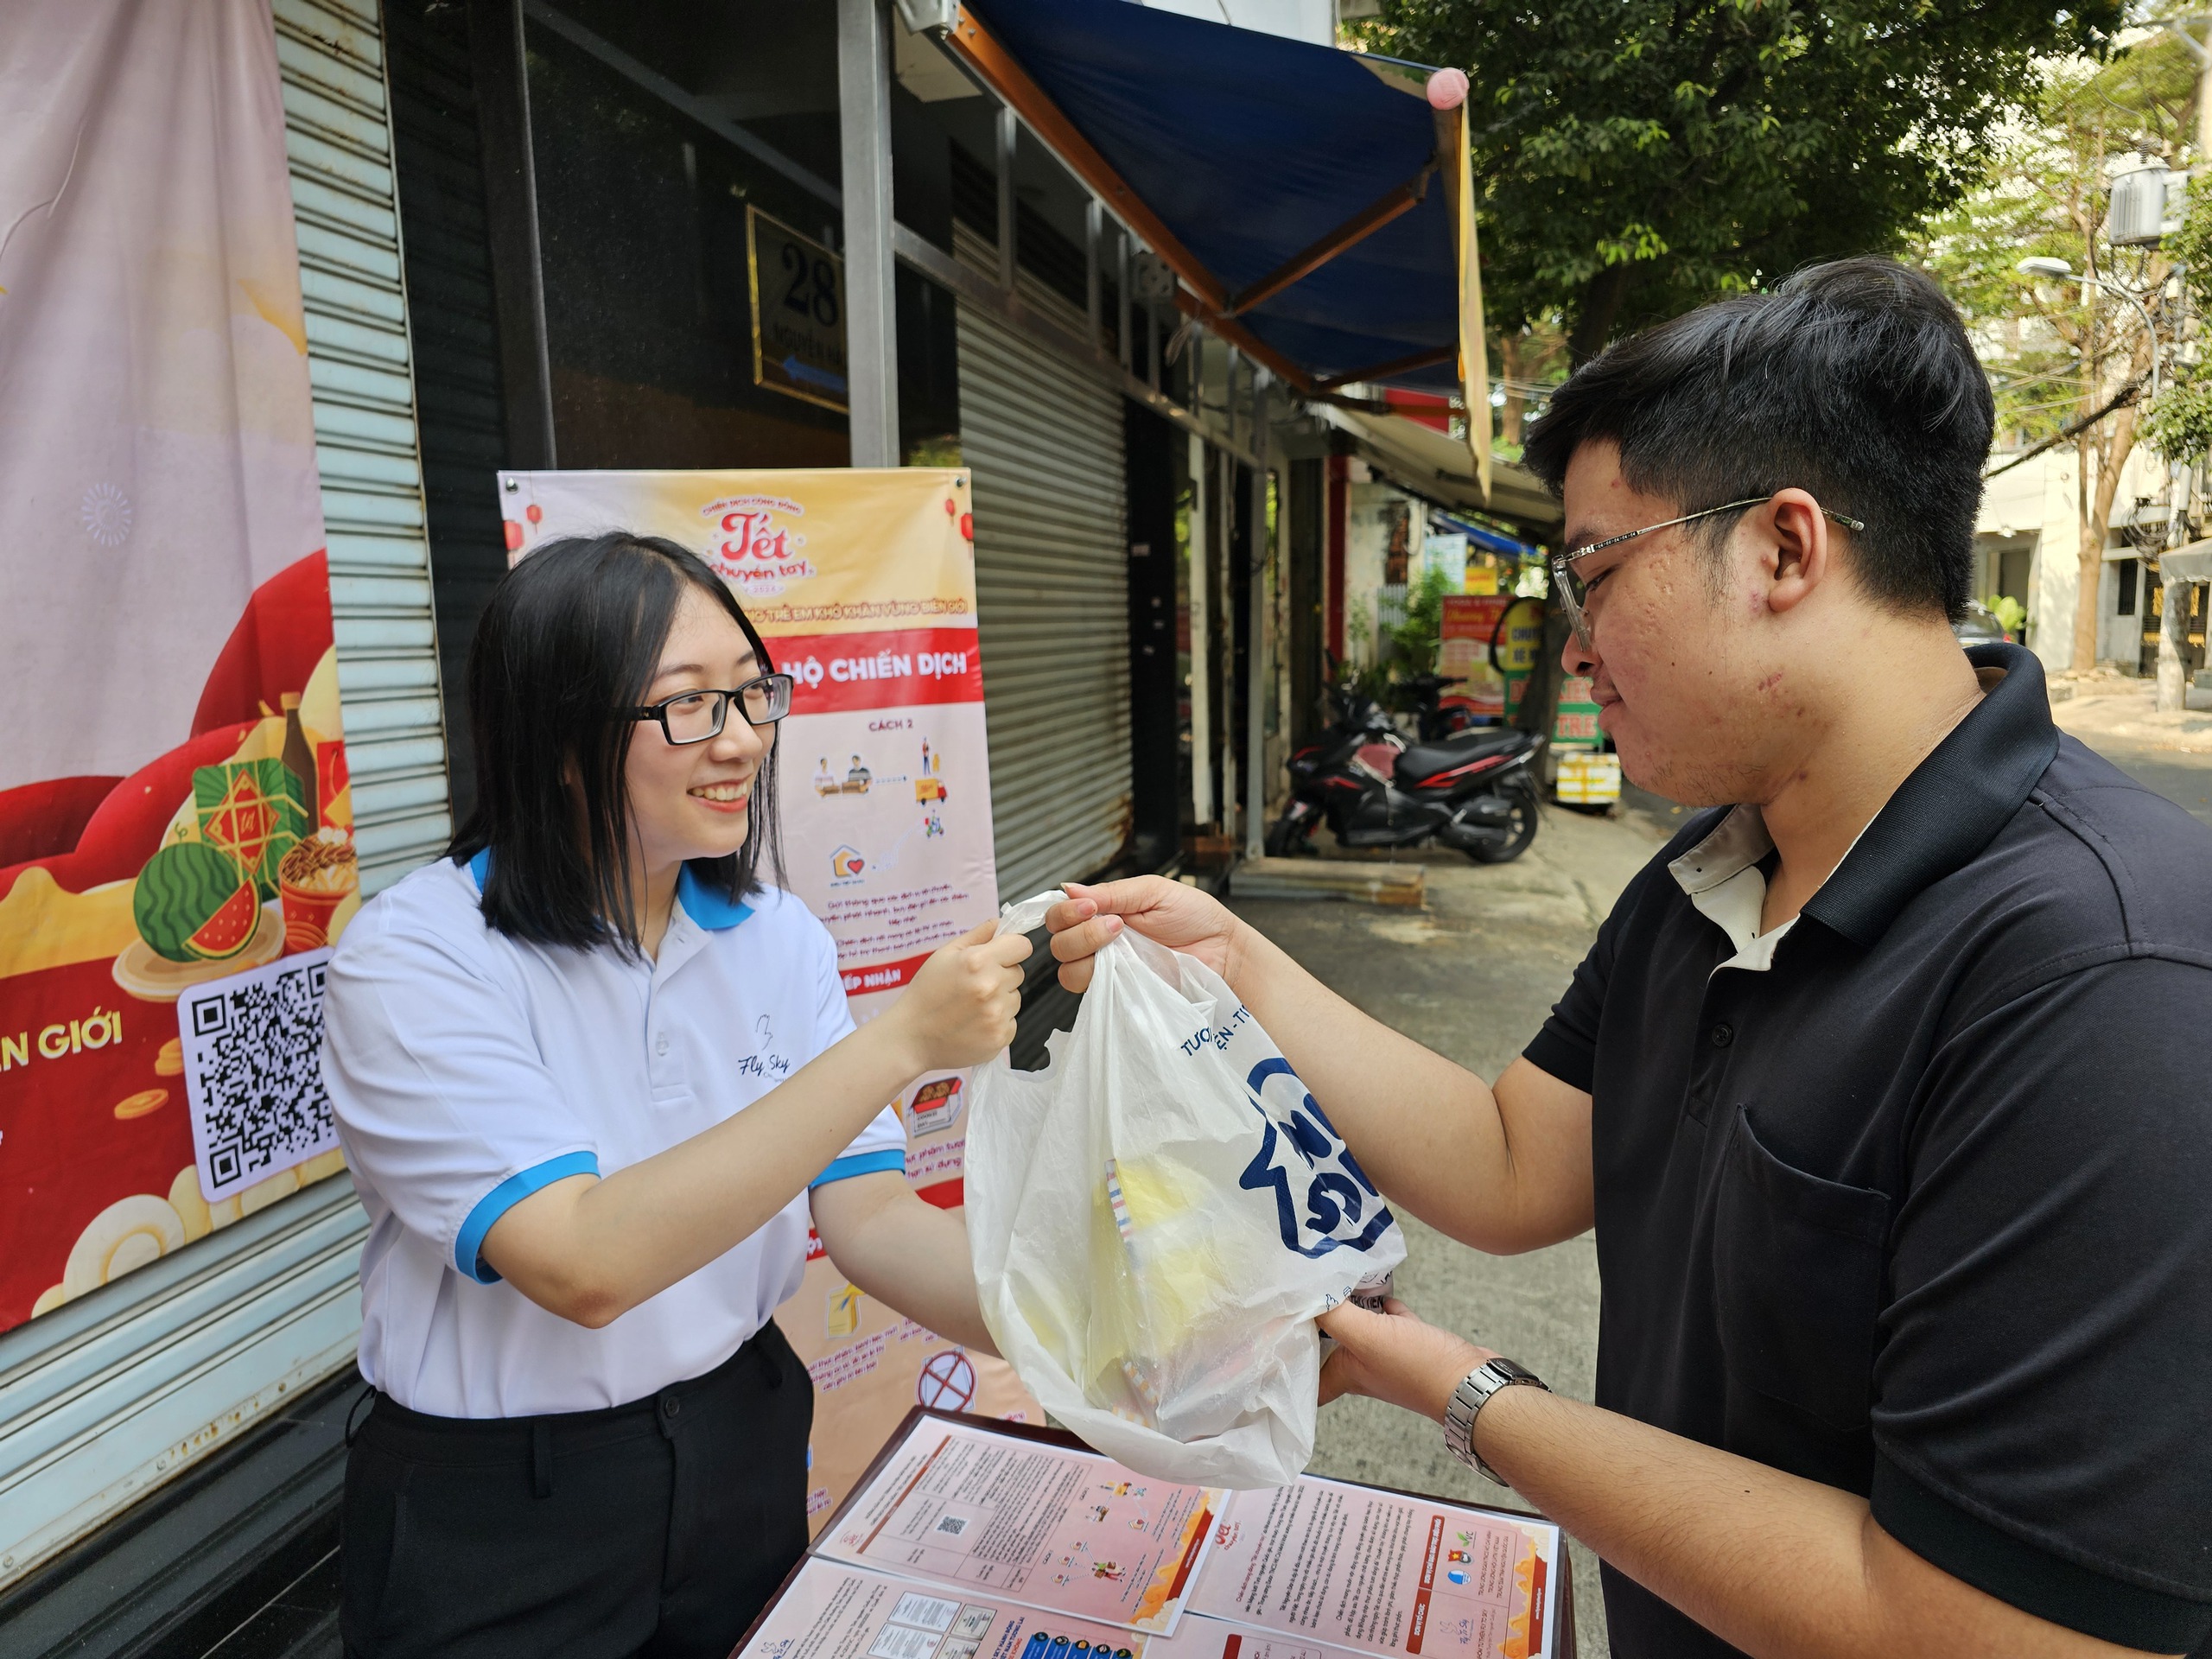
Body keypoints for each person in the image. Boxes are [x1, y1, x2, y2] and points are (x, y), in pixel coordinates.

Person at [1049, 260, 2212, 1657]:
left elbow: (1988, 1627)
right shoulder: (1718, 863)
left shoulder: (2104, 978)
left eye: (1595, 570)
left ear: (1787, 550)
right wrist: (1238, 965)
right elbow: (1515, 1162)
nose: (1577, 638)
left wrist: (1467, 1394)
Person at [323, 533, 1030, 1657]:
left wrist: (1090, 1325)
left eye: (752, 693)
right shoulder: (416, 962)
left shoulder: (775, 935)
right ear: (559, 738)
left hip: (741, 1440)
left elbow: (871, 1217)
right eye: (688, 707)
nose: (744, 739)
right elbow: (582, 1263)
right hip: (508, 1508)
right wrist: (902, 1043)